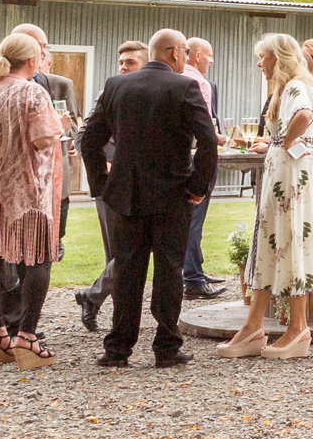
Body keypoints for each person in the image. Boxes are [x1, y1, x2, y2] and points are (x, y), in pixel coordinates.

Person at [80, 28, 219, 369]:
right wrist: (198, 186)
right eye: (185, 53)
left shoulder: (116, 85)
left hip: (125, 194)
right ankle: (167, 347)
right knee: (169, 270)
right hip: (173, 194)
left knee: (127, 270)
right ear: (174, 53)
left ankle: (118, 348)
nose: (186, 59)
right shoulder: (184, 86)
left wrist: (101, 183)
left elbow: (88, 139)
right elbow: (208, 141)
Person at [217, 34, 313, 360]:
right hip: (284, 177)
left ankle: (297, 329)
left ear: (279, 57)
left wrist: (280, 141)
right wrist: (277, 142)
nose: (259, 64)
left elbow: (304, 116)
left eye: (263, 57)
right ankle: (253, 326)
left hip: (290, 180)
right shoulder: (293, 86)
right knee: (270, 245)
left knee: (289, 244)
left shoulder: (294, 87)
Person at [0, 34, 65, 367]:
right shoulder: (32, 91)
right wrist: (60, 126)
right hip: (27, 189)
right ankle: (27, 339)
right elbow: (41, 140)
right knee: (38, 259)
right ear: (33, 62)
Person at [72, 40, 155, 332]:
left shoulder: (158, 93)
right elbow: (83, 138)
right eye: (121, 63)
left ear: (147, 64)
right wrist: (106, 171)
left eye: (130, 63)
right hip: (114, 186)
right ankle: (113, 318)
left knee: (131, 253)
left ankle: (94, 299)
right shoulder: (109, 93)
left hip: (147, 186)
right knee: (123, 255)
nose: (123, 67)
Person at [176, 37, 228, 300]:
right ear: (196, 56)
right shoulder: (199, 83)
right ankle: (193, 279)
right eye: (209, 55)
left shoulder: (176, 77)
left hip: (176, 161)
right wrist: (221, 138)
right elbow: (207, 132)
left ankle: (195, 270)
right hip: (197, 160)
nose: (211, 60)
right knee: (194, 220)